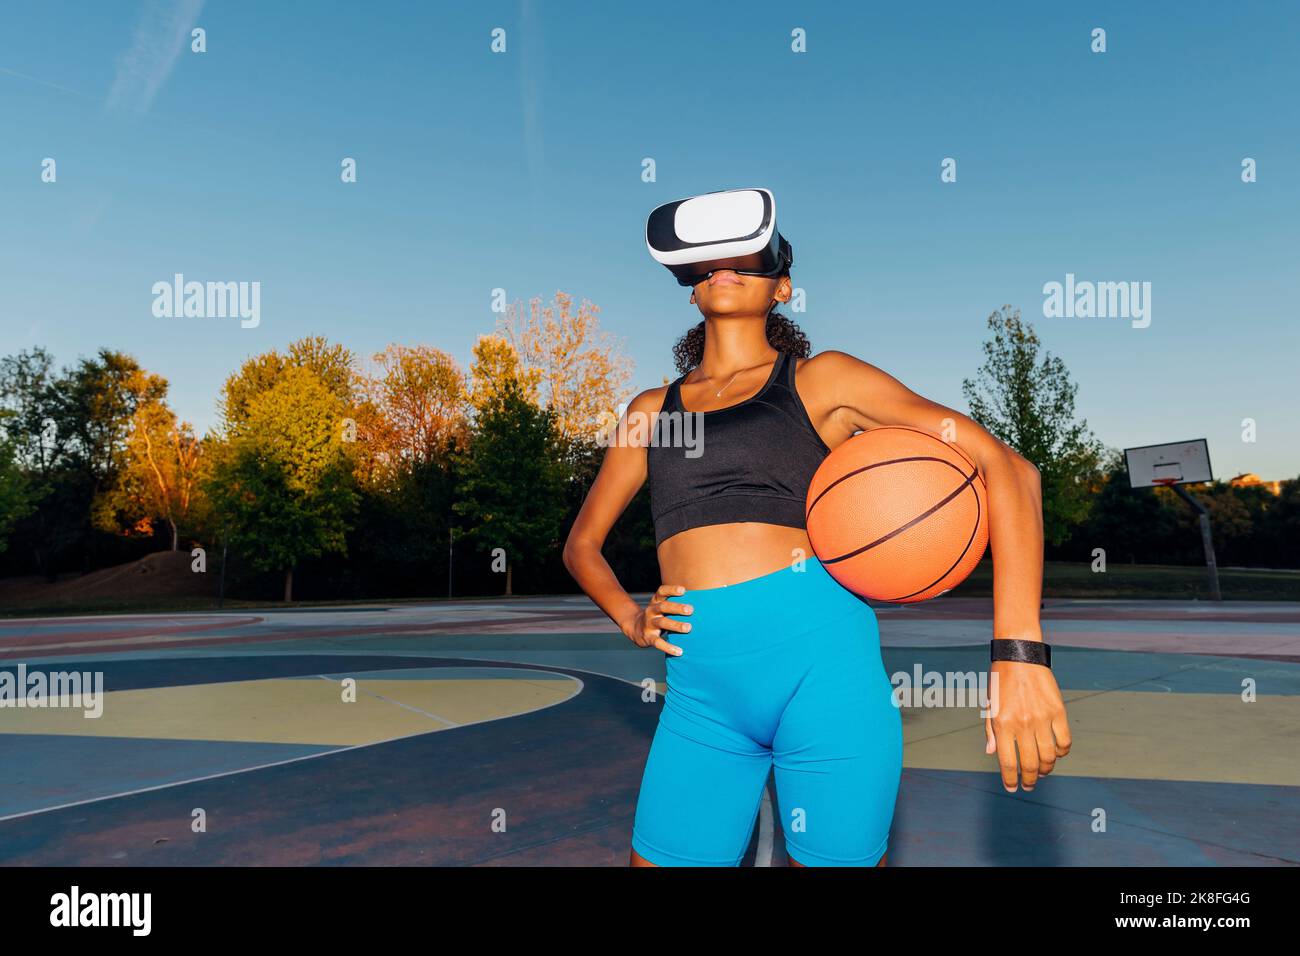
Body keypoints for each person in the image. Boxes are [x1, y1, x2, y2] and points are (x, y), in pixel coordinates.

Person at [563, 190, 1070, 867]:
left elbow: (1009, 468)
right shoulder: (651, 412)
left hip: (825, 678)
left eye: (748, 258)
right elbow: (581, 545)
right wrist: (630, 618)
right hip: (700, 694)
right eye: (709, 261)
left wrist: (1019, 655)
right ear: (689, 289)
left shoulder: (822, 381)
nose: (725, 268)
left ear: (782, 285)